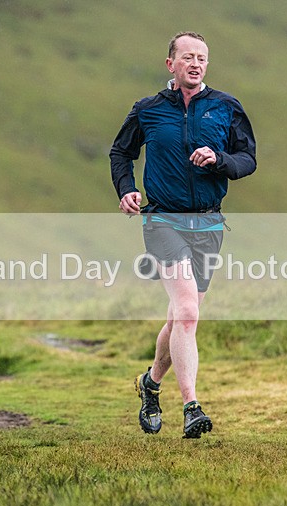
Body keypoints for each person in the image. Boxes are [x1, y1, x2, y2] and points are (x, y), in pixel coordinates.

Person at [110, 32, 257, 438]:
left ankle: (150, 383)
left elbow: (247, 159)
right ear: (170, 64)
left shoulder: (226, 107)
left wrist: (219, 159)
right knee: (188, 312)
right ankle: (192, 407)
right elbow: (121, 152)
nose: (196, 64)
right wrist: (126, 189)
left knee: (181, 317)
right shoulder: (149, 110)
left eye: (202, 58)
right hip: (163, 221)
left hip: (208, 225)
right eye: (188, 57)